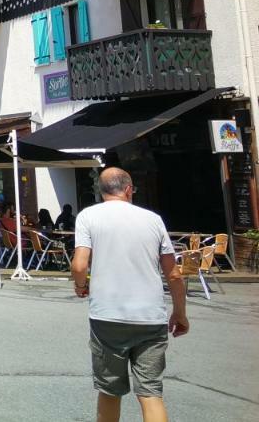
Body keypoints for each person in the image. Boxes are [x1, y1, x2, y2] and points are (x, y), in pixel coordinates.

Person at [71, 168, 188, 422]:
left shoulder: (88, 216)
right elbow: (174, 274)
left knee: (110, 391)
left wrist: (82, 285)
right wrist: (180, 312)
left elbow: (80, 265)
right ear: (128, 189)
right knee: (151, 393)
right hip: (150, 318)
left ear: (100, 191)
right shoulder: (153, 220)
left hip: (107, 317)